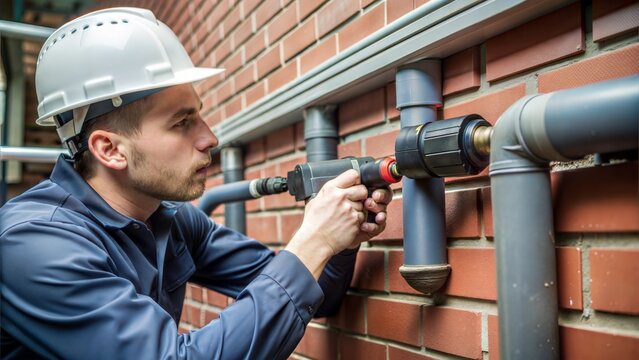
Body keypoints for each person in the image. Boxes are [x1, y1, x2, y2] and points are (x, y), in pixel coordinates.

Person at [0, 7, 392, 360]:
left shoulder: (170, 220)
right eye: (181, 122)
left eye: (199, 116)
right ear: (110, 149)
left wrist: (339, 237)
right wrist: (314, 241)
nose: (210, 138)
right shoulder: (32, 244)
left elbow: (311, 291)